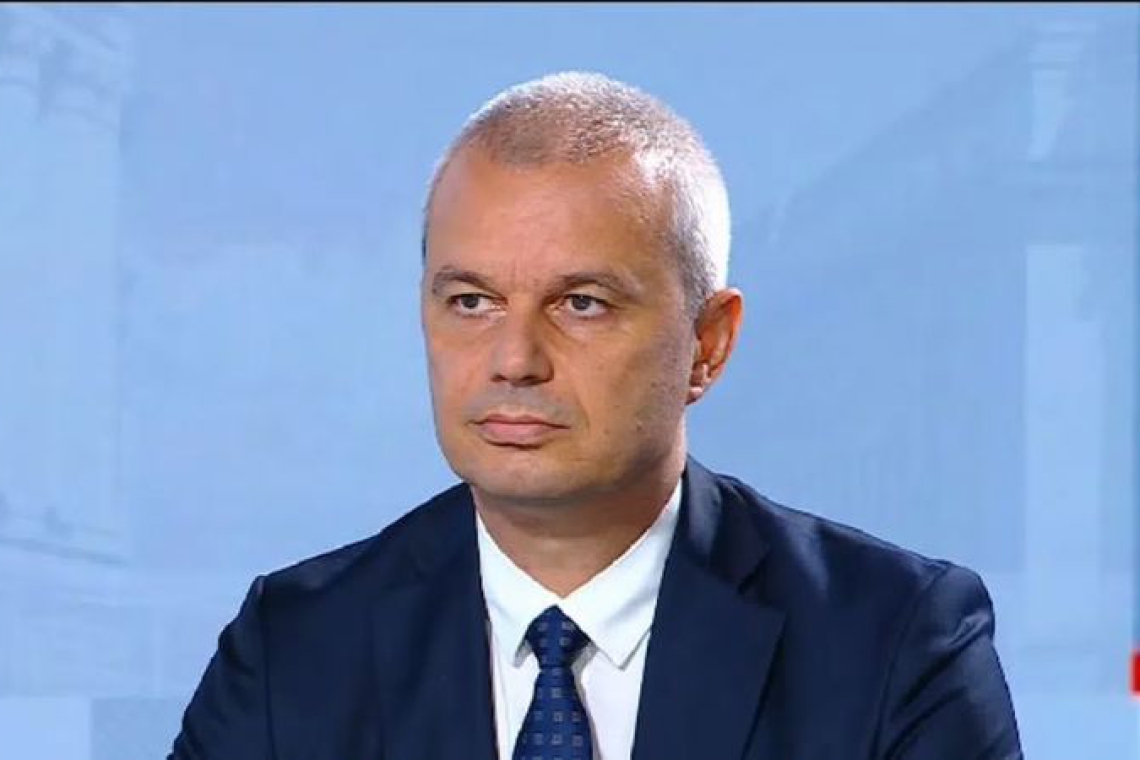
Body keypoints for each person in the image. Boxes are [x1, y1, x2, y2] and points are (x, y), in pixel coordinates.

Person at [169, 71, 1022, 760]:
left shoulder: (895, 643)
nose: (514, 359)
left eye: (581, 303)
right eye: (471, 302)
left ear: (709, 344)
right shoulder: (295, 649)